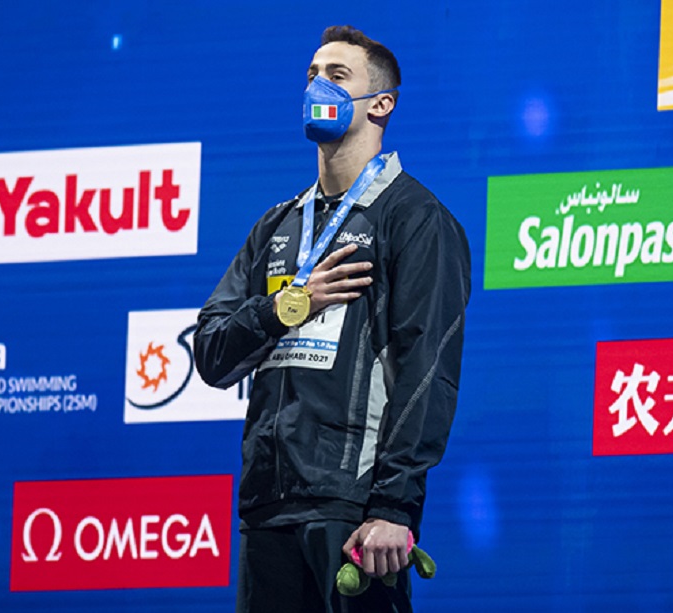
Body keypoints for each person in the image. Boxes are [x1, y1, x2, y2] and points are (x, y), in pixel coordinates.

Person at [194, 24, 471, 613]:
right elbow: (212, 353)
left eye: (337, 76)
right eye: (312, 75)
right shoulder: (277, 225)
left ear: (381, 103)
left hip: (353, 508)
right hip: (267, 504)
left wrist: (394, 507)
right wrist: (285, 307)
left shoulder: (416, 219)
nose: (318, 86)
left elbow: (428, 371)